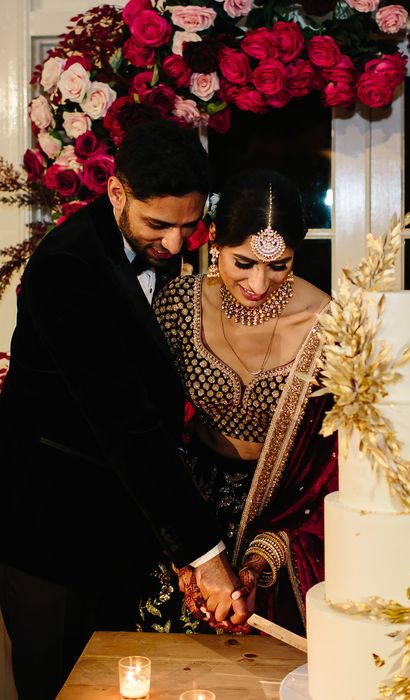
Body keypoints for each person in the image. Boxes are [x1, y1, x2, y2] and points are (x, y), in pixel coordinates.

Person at [0, 120, 248, 699]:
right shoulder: (67, 270)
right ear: (116, 192)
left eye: (189, 226)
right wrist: (206, 557)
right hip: (49, 539)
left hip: (119, 532)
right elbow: (128, 427)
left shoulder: (168, 259)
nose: (173, 243)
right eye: (156, 225)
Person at [141, 169, 338, 635]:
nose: (259, 283)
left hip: (280, 507)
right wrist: (178, 546)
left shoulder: (326, 325)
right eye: (243, 262)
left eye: (280, 265)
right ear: (214, 243)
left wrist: (256, 560)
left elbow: (330, 463)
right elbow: (148, 422)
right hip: (188, 497)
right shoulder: (179, 306)